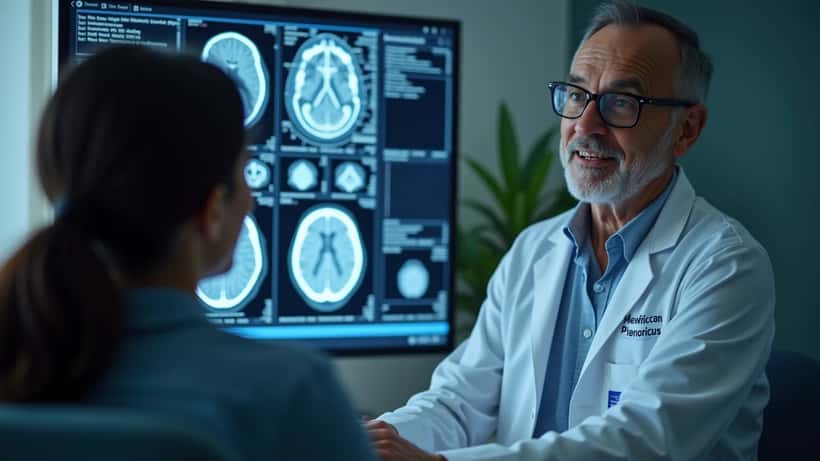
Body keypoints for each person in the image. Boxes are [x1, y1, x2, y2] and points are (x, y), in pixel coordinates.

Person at [366, 2, 775, 460]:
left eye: (622, 103)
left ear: (687, 129)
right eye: (577, 95)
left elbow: (647, 440)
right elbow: (459, 401)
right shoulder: (532, 250)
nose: (585, 125)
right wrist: (373, 441)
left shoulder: (726, 265)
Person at [0, 46, 376, 461]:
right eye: (244, 173)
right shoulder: (292, 395)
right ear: (212, 211)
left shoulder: (18, 362)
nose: (251, 200)